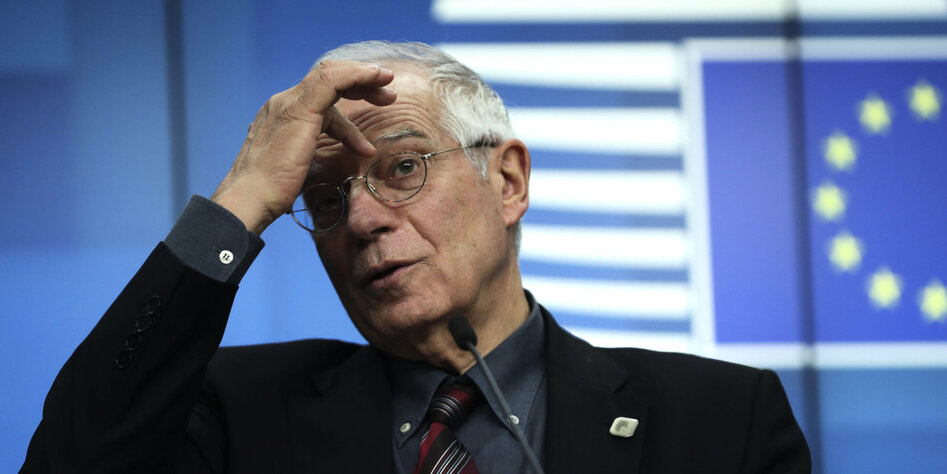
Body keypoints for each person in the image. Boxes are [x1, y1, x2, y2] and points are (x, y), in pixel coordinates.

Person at [22, 41, 810, 473]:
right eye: (324, 199)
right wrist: (244, 197)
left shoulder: (719, 422)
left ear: (508, 182)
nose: (363, 219)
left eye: (403, 167)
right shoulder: (232, 413)